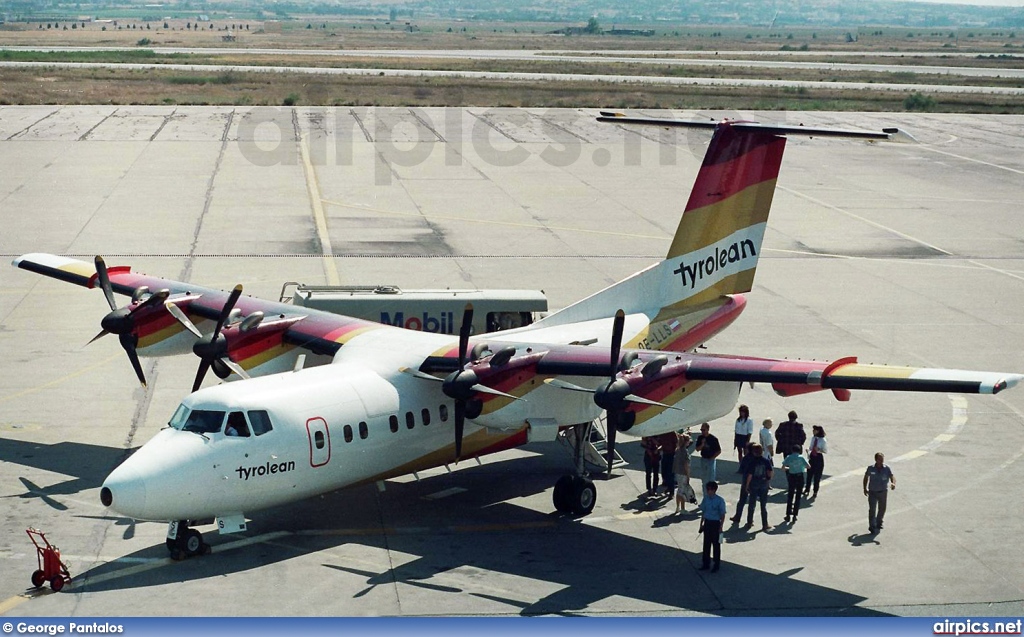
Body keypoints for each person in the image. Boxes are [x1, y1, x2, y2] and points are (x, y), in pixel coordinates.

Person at [743, 444, 774, 531]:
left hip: (754, 484)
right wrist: (768, 480)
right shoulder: (766, 461)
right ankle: (765, 524)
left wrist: (747, 485)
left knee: (752, 504)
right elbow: (770, 471)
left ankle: (749, 522)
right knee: (763, 505)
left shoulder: (752, 462)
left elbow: (750, 475)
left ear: (753, 452)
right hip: (763, 483)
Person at [863, 452, 896, 533]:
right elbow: (866, 477)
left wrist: (893, 483)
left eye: (882, 459)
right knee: (872, 510)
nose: (881, 461)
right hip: (872, 492)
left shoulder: (886, 468)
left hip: (883, 492)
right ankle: (872, 526)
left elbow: (892, 476)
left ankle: (879, 522)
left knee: (882, 508)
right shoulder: (871, 468)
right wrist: (864, 488)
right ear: (876, 460)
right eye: (879, 459)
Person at [698, 481, 727, 572]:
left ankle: (716, 564)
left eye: (710, 489)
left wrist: (721, 526)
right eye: (707, 489)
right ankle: (706, 563)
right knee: (706, 544)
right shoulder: (705, 499)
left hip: (715, 524)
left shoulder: (720, 500)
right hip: (707, 523)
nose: (708, 491)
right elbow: (704, 511)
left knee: (716, 545)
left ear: (714, 490)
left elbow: (722, 514)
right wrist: (701, 524)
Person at [781, 445, 809, 523]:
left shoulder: (789, 457)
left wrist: (790, 468)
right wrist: (801, 467)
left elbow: (783, 468)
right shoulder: (801, 457)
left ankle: (788, 514)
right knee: (798, 496)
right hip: (800, 477)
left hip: (792, 477)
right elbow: (808, 466)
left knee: (790, 495)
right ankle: (795, 515)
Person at [694, 422, 721, 497]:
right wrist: (702, 444)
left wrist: (712, 458)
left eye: (704, 430)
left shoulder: (713, 439)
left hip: (710, 460)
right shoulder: (700, 438)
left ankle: (712, 496)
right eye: (701, 430)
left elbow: (718, 450)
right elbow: (697, 449)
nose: (702, 432)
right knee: (704, 479)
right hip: (703, 459)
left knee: (711, 479)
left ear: (708, 430)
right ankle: (705, 496)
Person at [730, 442, 755, 523]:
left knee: (742, 500)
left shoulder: (746, 458)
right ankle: (750, 520)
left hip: (745, 480)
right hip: (755, 481)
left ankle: (738, 516)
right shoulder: (757, 458)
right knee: (752, 502)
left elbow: (741, 470)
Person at [673, 433, 694, 513]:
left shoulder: (677, 450)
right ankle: (682, 508)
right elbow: (686, 465)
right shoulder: (685, 451)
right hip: (683, 473)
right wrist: (688, 475)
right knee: (683, 491)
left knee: (679, 490)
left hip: (677, 472)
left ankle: (678, 507)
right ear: (686, 442)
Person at [804, 425, 828, 497]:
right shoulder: (813, 438)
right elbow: (811, 447)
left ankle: (815, 491)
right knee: (809, 475)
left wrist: (819, 450)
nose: (813, 431)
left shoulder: (823, 440)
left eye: (815, 430)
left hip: (818, 458)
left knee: (817, 476)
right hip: (812, 457)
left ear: (818, 431)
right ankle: (807, 489)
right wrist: (808, 449)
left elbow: (825, 450)